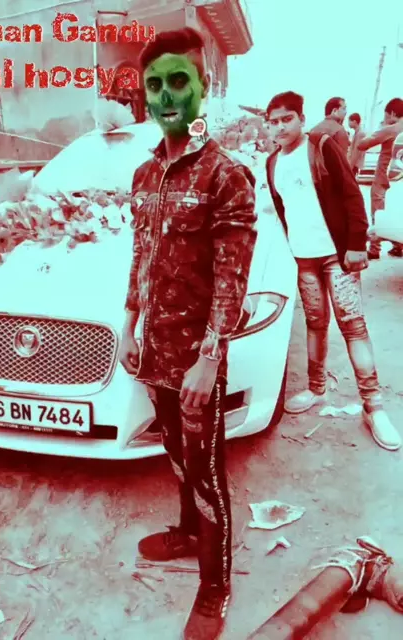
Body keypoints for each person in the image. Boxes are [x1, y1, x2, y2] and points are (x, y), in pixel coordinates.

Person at [119, 27, 257, 640]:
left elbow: (233, 278)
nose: (166, 95)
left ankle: (215, 586)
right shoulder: (145, 174)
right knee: (174, 454)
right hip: (153, 352)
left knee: (206, 472)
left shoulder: (224, 174)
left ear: (203, 86)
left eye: (180, 80)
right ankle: (187, 531)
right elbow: (140, 257)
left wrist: (210, 359)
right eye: (155, 85)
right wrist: (129, 325)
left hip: (197, 359)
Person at [264, 91, 401, 452]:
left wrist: (356, 243)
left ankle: (373, 407)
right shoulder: (272, 162)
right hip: (304, 260)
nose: (280, 127)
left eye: (286, 119)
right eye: (274, 122)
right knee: (315, 323)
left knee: (353, 326)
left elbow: (351, 193)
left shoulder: (321, 146)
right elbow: (283, 210)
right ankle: (317, 388)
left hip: (336, 257)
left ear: (301, 118)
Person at [357, 98, 403, 259]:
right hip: (400, 178)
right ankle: (398, 245)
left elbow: (362, 144)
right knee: (397, 212)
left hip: (384, 177)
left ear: (392, 113)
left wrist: (381, 127)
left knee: (378, 211)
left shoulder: (391, 129)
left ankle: (374, 248)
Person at [348, 113, 366, 177]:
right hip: (354, 164)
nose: (348, 123)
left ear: (354, 122)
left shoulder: (360, 134)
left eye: (349, 121)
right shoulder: (357, 133)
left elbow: (356, 152)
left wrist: (350, 166)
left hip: (355, 164)